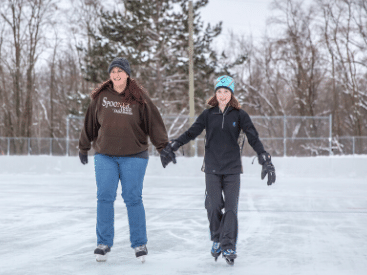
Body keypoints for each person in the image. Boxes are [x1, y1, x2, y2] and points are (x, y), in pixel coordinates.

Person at [161, 75, 276, 266]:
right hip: (212, 168)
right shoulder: (208, 115)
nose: (222, 95)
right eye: (219, 91)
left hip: (232, 169)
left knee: (231, 209)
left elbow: (253, 137)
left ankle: (228, 245)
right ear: (215, 94)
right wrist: (174, 145)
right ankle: (216, 238)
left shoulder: (240, 115)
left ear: (231, 94)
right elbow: (191, 133)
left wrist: (264, 157)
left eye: (226, 92)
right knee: (213, 205)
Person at [78, 57, 173, 263]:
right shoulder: (101, 97)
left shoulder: (140, 98)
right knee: (104, 196)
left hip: (134, 156)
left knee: (132, 198)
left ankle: (139, 243)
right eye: (113, 71)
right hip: (105, 155)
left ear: (127, 74)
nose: (116, 75)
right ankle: (103, 243)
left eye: (120, 71)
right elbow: (90, 124)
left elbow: (154, 123)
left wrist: (163, 147)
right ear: (109, 75)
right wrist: (84, 147)